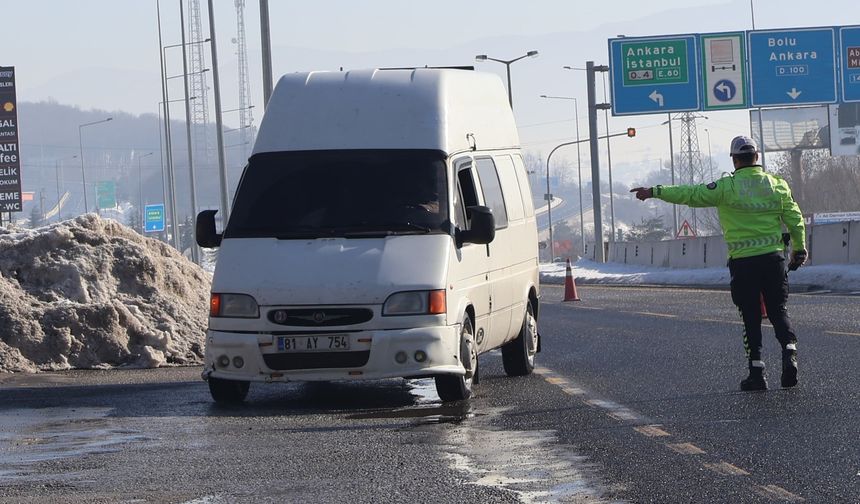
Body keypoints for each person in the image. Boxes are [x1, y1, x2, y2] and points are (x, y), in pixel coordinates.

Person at [630, 136, 808, 391]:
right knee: (778, 309)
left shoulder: (726, 187)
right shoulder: (777, 185)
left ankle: (757, 373)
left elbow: (690, 194)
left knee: (750, 315)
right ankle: (789, 352)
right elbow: (795, 218)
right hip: (773, 259)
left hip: (743, 263)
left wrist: (654, 192)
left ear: (735, 160)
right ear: (757, 157)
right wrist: (799, 250)